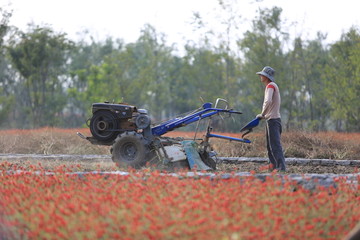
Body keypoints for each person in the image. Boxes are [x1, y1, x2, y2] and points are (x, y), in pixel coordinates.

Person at [255, 66, 286, 172]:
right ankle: (273, 167)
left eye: (262, 75)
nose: (260, 76)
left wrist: (262, 114)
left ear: (266, 76)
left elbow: (267, 101)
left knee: (275, 145)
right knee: (270, 146)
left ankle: (281, 168)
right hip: (272, 119)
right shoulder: (272, 86)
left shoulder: (270, 86)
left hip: (273, 120)